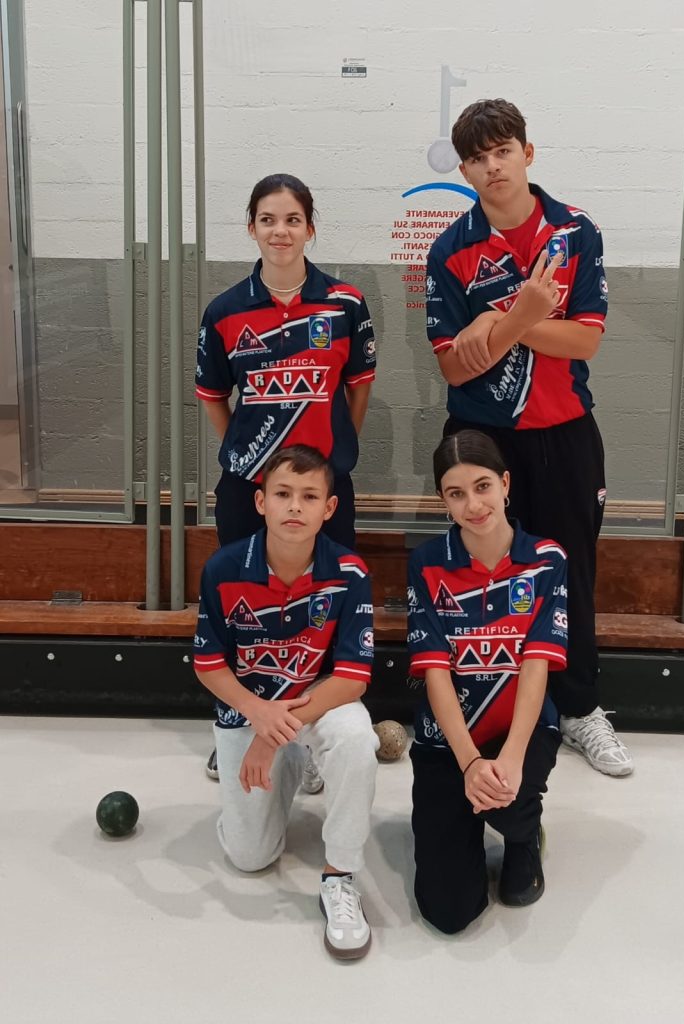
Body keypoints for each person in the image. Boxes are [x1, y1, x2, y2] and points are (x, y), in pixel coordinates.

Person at [424, 98, 632, 777]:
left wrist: (497, 322)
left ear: (527, 153)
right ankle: (489, 705)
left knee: (569, 571)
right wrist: (526, 313)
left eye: (503, 151)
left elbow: (585, 341)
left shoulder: (575, 232)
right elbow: (455, 365)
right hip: (483, 439)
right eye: (478, 158)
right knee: (485, 571)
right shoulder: (450, 251)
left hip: (565, 433)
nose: (493, 167)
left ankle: (580, 709)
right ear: (464, 171)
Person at [196, 173, 376, 783]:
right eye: (268, 219)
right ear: (251, 228)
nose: (281, 231)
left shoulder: (345, 304)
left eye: (292, 219)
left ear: (310, 228)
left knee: (319, 609)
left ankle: (309, 734)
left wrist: (332, 458)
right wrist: (248, 456)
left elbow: (358, 388)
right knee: (245, 610)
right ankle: (238, 725)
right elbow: (214, 395)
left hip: (324, 486)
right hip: (248, 488)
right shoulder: (225, 311)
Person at [193, 444, 379, 961]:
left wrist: (271, 736)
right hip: (248, 709)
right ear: (261, 503)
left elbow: (353, 679)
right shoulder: (223, 568)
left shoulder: (350, 572)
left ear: (329, 508)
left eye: (309, 496)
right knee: (250, 858)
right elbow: (208, 664)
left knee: (356, 739)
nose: (295, 506)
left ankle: (340, 876)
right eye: (282, 494)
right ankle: (290, 763)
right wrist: (259, 717)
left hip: (317, 703)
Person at [407, 430, 567, 933]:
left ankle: (523, 834)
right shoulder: (427, 563)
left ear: (505, 484)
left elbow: (536, 665)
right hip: (448, 742)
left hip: (517, 733)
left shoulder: (547, 559)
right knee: (449, 912)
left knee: (510, 802)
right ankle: (465, 815)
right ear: (443, 501)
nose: (473, 505)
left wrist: (510, 760)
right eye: (456, 493)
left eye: (482, 487)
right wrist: (470, 763)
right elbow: (435, 671)